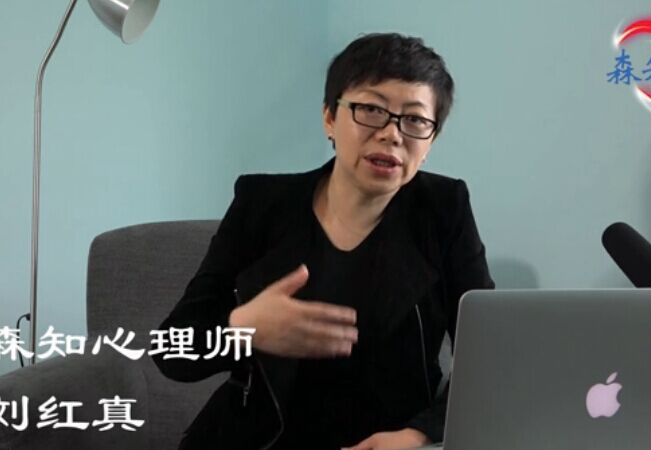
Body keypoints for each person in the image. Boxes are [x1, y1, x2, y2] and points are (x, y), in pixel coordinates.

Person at [153, 32, 495, 450]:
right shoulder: (261, 204)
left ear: (431, 142)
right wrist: (242, 329)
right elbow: (171, 351)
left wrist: (419, 434)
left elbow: (490, 355)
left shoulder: (443, 210)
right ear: (330, 118)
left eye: (415, 120)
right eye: (371, 110)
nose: (392, 135)